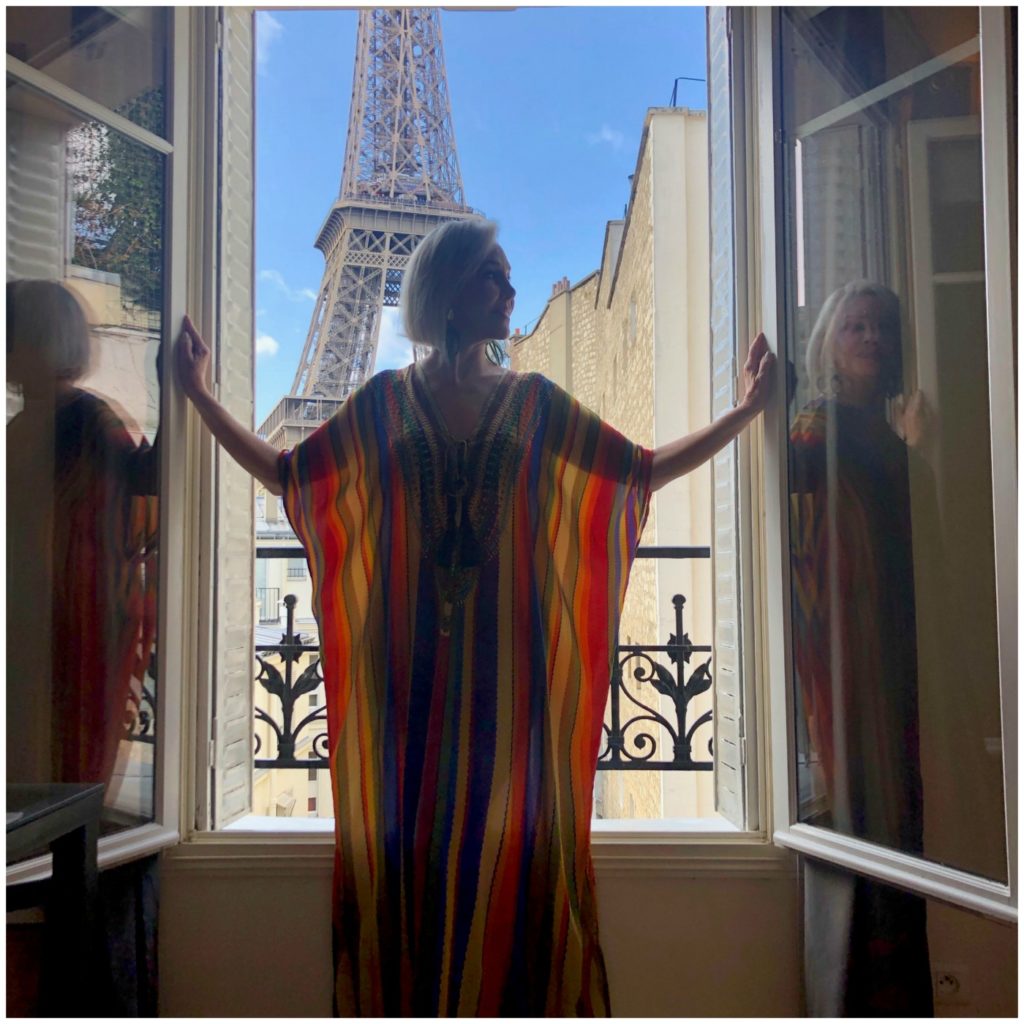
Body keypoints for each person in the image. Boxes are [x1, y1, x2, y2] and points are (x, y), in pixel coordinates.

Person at [177, 218, 774, 1017]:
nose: (511, 290)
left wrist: (745, 413)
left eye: (508, 274)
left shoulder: (534, 402)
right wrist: (201, 398)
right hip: (404, 692)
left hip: (512, 688)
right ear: (448, 293)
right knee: (407, 870)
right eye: (493, 276)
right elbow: (290, 475)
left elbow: (639, 472)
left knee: (521, 872)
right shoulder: (384, 403)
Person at [788, 280, 932, 1015]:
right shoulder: (816, 426)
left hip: (908, 638)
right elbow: (803, 545)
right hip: (852, 653)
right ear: (831, 345)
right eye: (856, 326)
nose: (872, 337)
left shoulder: (892, 424)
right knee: (868, 803)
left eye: (882, 327)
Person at [7, 280, 159, 797]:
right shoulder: (30, 426)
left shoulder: (86, 421)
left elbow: (149, 484)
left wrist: (179, 390)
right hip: (44, 620)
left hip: (74, 624)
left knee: (58, 771)